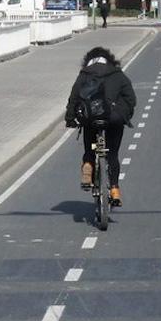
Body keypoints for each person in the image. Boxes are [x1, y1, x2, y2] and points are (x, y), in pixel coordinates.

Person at [64, 47, 136, 207]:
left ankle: (88, 163)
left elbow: (74, 97)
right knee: (112, 154)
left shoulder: (85, 73)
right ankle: (115, 189)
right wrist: (125, 114)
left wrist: (70, 119)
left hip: (91, 120)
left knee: (91, 146)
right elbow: (131, 98)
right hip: (114, 120)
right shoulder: (117, 74)